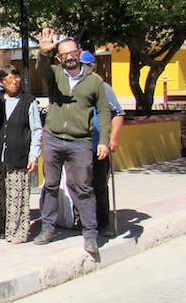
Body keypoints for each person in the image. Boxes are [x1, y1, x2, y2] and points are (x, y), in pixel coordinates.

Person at [34, 29, 112, 255]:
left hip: (81, 142)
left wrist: (104, 140)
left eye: (73, 53)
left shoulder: (94, 82)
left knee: (85, 188)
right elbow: (41, 69)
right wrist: (43, 52)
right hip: (54, 139)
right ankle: (47, 229)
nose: (69, 57)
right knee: (50, 185)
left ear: (79, 53)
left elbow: (104, 112)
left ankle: (90, 234)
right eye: (64, 54)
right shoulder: (55, 74)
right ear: (59, 58)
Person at [0, 65, 43, 244]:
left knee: (17, 196)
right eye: (8, 79)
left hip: (19, 155)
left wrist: (34, 155)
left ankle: (17, 231)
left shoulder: (28, 100)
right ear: (1, 82)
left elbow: (36, 129)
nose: (13, 82)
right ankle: (0, 229)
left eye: (15, 78)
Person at [75, 51, 126, 238]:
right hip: (77, 144)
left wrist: (113, 139)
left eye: (84, 65)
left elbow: (118, 113)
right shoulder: (72, 86)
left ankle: (103, 222)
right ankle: (84, 219)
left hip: (98, 144)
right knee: (78, 184)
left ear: (92, 68)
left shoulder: (103, 87)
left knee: (98, 185)